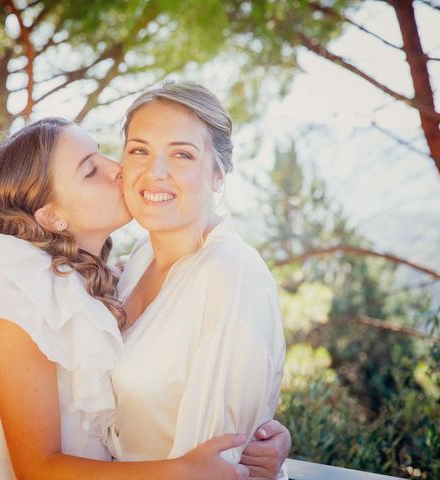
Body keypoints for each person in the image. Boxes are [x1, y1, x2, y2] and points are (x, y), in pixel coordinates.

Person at [0, 117, 283, 479]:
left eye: (104, 153)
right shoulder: (14, 302)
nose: (118, 168)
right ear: (52, 216)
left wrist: (260, 435)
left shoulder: (112, 278)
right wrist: (180, 472)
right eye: (90, 170)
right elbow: (35, 468)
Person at [109, 82, 288, 479]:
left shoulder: (230, 276)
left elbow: (213, 466)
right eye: (139, 149)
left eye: (182, 154)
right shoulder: (138, 257)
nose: (154, 172)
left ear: (218, 173)